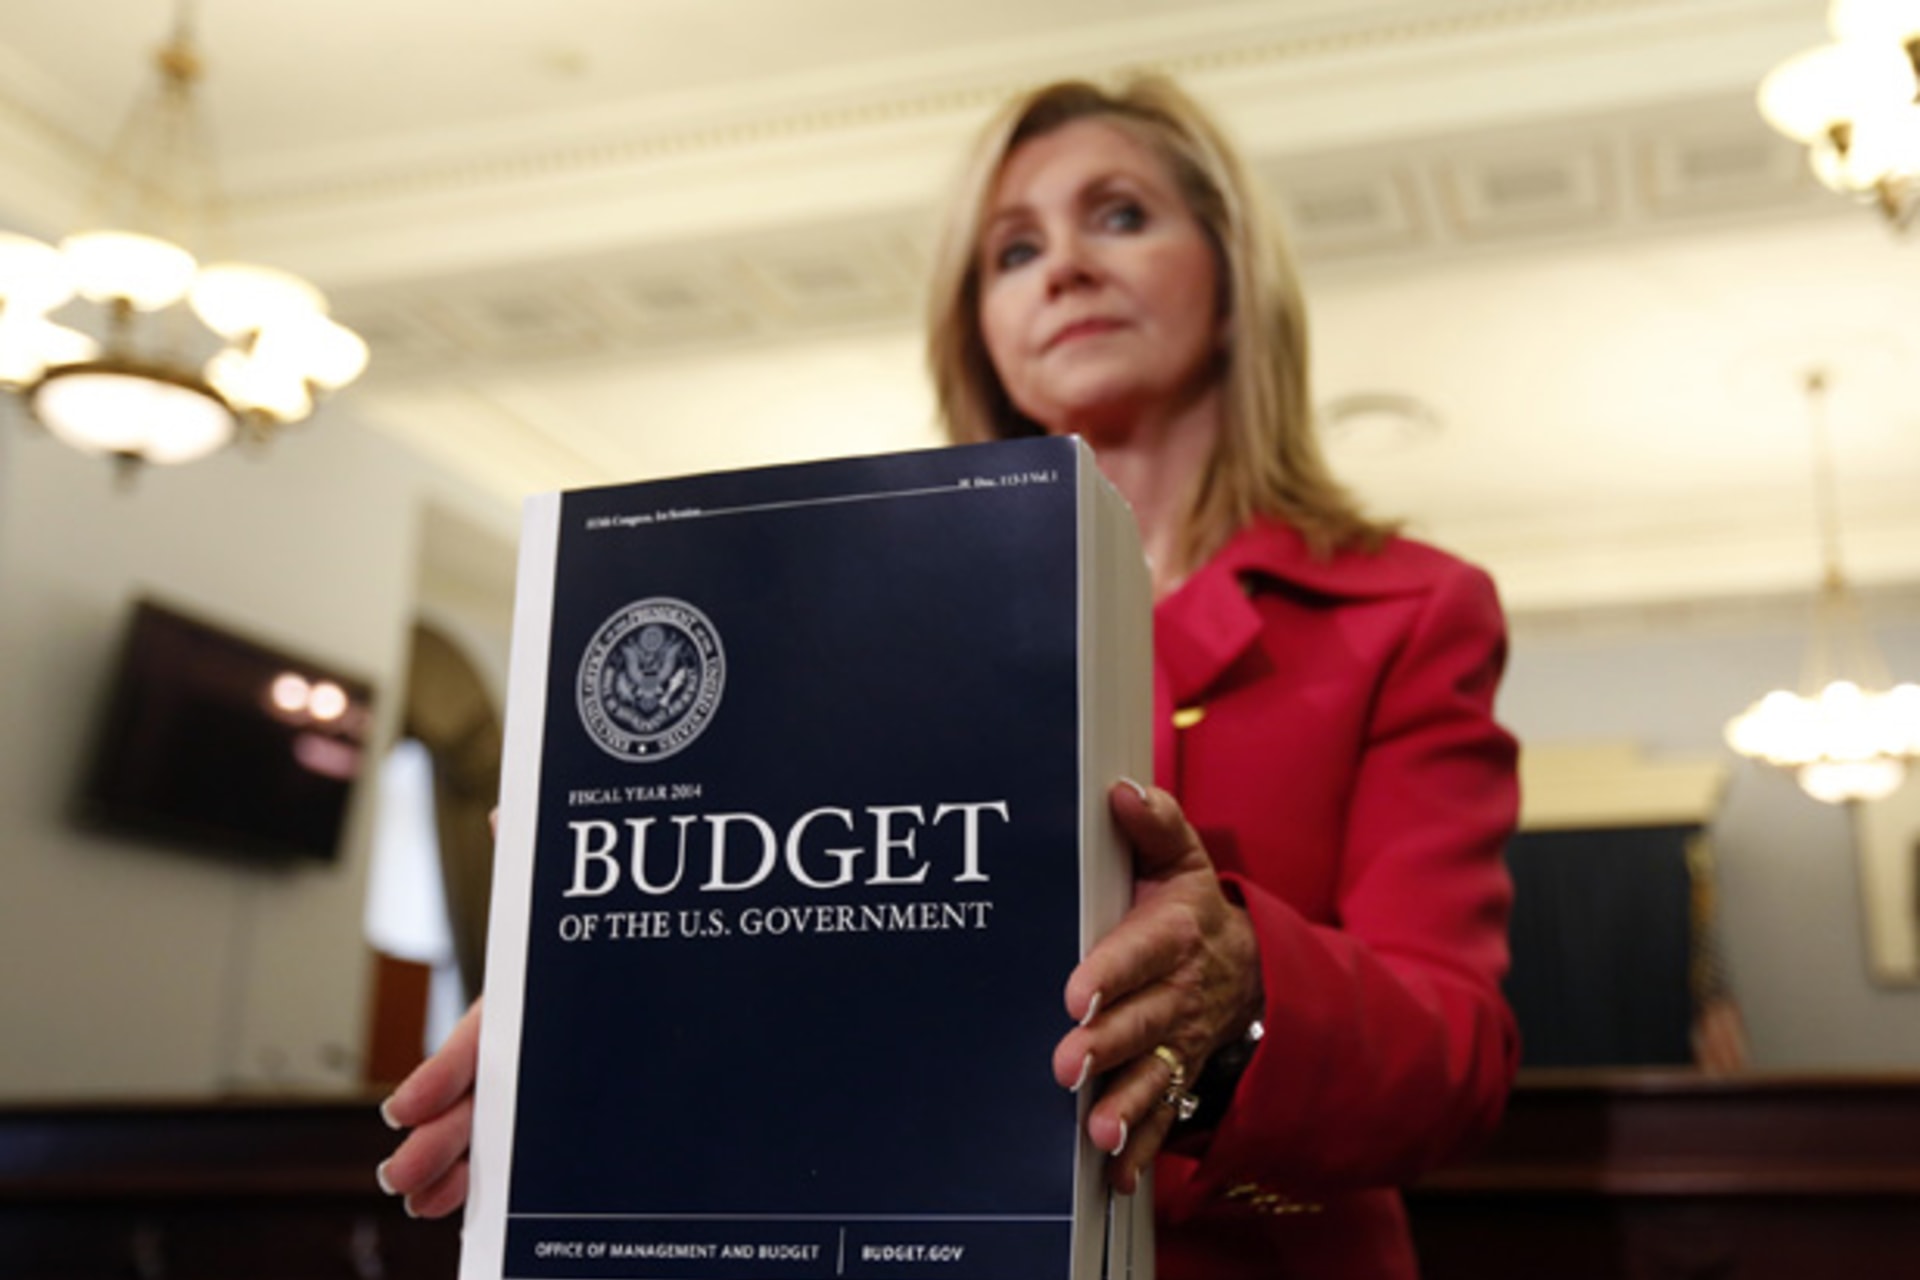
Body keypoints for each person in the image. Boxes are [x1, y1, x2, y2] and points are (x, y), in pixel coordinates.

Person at [379, 73, 1520, 1279]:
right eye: (1014, 250)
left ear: (1235, 277)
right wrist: (610, 991)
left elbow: (1459, 1054)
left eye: (1120, 215)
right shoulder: (864, 636)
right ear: (979, 325)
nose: (1063, 265)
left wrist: (1245, 992)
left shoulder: (1410, 607)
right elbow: (820, 955)